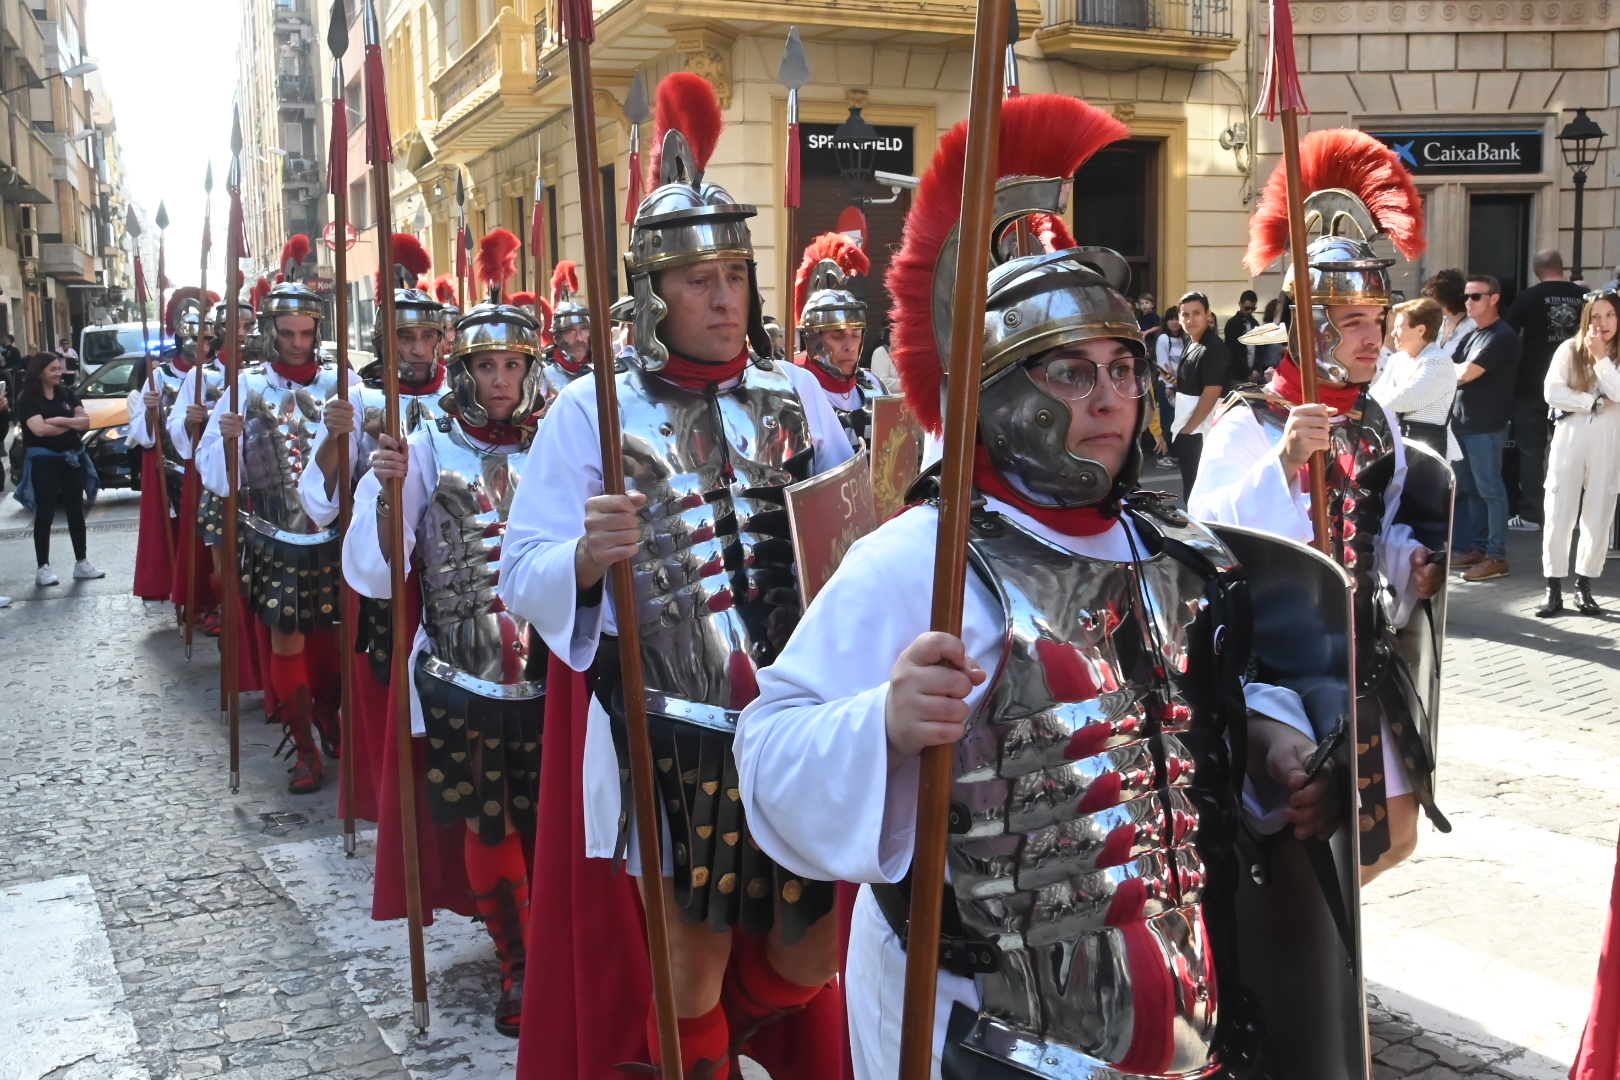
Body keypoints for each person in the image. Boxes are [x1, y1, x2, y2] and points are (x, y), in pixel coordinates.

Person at [736, 92, 1342, 1080]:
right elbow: (770, 753)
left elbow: (1194, 737)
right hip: (992, 1036)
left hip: (1193, 1024)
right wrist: (884, 721)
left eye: (1121, 368)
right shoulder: (920, 563)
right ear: (1003, 396)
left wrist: (1271, 742)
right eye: (1068, 373)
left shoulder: (1182, 555)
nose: (1108, 398)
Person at [499, 72, 849, 1080]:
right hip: (669, 731)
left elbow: (848, 545)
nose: (725, 297)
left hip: (795, 722)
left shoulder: (796, 399)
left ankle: (733, 1035)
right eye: (701, 281)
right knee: (683, 969)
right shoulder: (589, 411)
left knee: (810, 948)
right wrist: (584, 557)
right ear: (654, 296)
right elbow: (523, 572)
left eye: (735, 276)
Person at [1190, 127, 1451, 880]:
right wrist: (1284, 463)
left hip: (1360, 648)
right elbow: (1210, 535)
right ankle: (1297, 975)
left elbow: (1382, 523)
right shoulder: (1249, 419)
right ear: (1312, 329)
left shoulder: (1378, 421)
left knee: (1395, 835)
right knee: (1332, 827)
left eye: (1380, 319)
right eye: (1357, 324)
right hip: (1272, 658)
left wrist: (1413, 565)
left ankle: (1330, 973)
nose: (1376, 339)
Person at [343, 278, 543, 1036]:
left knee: (553, 821)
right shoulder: (422, 444)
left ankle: (550, 942)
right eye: (487, 366)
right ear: (464, 371)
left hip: (555, 667)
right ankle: (514, 958)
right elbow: (377, 569)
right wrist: (387, 491)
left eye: (513, 367)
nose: (501, 382)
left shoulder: (556, 440)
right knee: (491, 823)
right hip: (462, 672)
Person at [299, 234, 448, 828]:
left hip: (458, 574)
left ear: (442, 339)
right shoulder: (361, 398)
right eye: (404, 337)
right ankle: (397, 815)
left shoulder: (465, 398)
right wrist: (339, 441)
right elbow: (319, 503)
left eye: (425, 336)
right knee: (392, 703)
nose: (415, 349)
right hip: (385, 571)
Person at [198, 272, 357, 793]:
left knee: (337, 643)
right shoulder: (243, 388)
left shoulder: (345, 384)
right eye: (287, 333)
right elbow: (216, 477)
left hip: (334, 538)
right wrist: (225, 441)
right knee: (287, 643)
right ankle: (303, 746)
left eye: (305, 333)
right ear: (270, 331)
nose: (296, 343)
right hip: (274, 537)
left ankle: (329, 716)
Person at [1534, 292, 1620, 617]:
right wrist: (1591, 401)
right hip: (1570, 438)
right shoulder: (1569, 349)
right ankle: (1552, 585)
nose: (1602, 324)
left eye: (1610, 315)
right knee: (1559, 510)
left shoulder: (1612, 354)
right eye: (1595, 317)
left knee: (1598, 513)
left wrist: (1601, 360)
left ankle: (1584, 584)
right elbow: (1552, 391)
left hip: (1609, 443)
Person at [128, 288, 214, 610]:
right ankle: (182, 595)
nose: (202, 346)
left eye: (207, 338)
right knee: (176, 535)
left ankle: (205, 598)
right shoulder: (160, 375)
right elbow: (143, 435)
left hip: (208, 467)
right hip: (169, 465)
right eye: (196, 338)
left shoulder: (219, 373)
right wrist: (150, 408)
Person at [1503, 249, 1586, 531]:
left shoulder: (1529, 298)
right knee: (1574, 451)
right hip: (1577, 384)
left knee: (1531, 451)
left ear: (1537, 270)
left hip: (1533, 384)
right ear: (1562, 267)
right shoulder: (1582, 297)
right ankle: (1574, 515)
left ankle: (1530, 514)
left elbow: (1506, 335)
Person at [1449, 274, 1520, 582]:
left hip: (1487, 425)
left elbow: (1465, 373)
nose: (1468, 302)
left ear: (1494, 298)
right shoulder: (1471, 333)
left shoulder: (1501, 335)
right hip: (1463, 423)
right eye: (1466, 296)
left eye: (1475, 296)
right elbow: (1446, 366)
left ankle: (1496, 555)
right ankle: (1478, 548)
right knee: (1471, 489)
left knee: (1490, 489)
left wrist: (1450, 370)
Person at [792, 231, 887, 449]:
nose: (849, 346)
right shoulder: (793, 390)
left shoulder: (873, 387)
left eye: (855, 335)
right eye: (837, 336)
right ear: (813, 337)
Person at [16, 353, 102, 585]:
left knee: (76, 510)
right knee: (45, 512)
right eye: (53, 369)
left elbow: (85, 422)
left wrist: (57, 421)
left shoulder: (67, 393)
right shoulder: (28, 399)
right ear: (40, 371)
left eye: (59, 369)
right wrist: (69, 423)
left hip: (71, 459)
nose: (58, 373)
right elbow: (39, 430)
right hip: (44, 462)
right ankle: (43, 567)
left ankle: (81, 562)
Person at [1373, 296, 1457, 458]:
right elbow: (1375, 395)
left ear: (1420, 330)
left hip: (1425, 450)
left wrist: (1377, 398)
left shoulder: (1438, 361)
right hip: (1396, 444)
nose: (1393, 333)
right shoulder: (1396, 360)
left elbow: (1404, 399)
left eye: (1399, 327)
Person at [1168, 290, 1230, 492]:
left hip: (1200, 431)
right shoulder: (1191, 341)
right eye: (1185, 314)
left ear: (1208, 315)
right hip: (1188, 426)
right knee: (1189, 486)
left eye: (1196, 313)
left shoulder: (1213, 347)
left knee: (1198, 491)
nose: (1190, 319)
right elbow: (1194, 384)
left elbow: (1212, 392)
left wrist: (1188, 430)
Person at [539, 259, 591, 406]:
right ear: (558, 337)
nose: (580, 338)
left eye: (584, 330)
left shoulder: (601, 367)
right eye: (571, 332)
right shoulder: (543, 373)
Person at [1424, 268, 1476, 355]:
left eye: (1435, 298)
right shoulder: (1440, 322)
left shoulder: (1472, 327)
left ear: (1447, 299)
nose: (1431, 303)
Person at [1225, 287, 1260, 376]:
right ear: (1240, 304)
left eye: (1253, 309)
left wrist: (1256, 369)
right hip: (1237, 374)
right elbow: (1232, 351)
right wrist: (1246, 373)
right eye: (1247, 308)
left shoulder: (1255, 323)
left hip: (1252, 372)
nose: (1250, 311)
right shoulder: (1232, 323)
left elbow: (1258, 349)